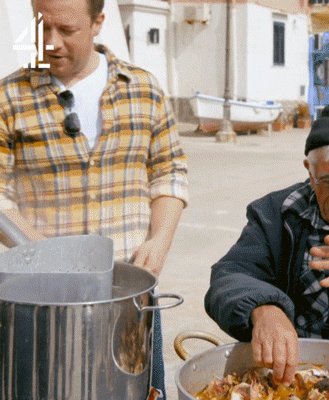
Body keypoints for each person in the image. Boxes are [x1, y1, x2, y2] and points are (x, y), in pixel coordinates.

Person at [0, 0, 188, 398]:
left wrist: (159, 241)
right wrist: (52, 257)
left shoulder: (144, 89)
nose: (50, 43)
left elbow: (169, 172)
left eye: (66, 30)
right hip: (42, 307)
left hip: (129, 302)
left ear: (98, 22)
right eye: (41, 27)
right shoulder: (9, 98)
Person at [205, 95, 329, 387]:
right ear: (310, 172)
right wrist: (265, 308)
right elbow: (230, 275)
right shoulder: (279, 213)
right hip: (303, 383)